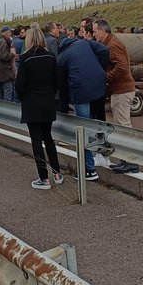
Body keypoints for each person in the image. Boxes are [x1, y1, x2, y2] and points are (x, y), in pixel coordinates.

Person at [16, 24, 64, 189]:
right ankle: (57, 173)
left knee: (36, 140)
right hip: (48, 101)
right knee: (48, 137)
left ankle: (44, 178)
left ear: (29, 39)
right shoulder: (50, 56)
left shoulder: (25, 58)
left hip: (32, 102)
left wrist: (23, 97)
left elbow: (20, 84)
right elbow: (56, 80)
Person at [55, 30, 108, 180]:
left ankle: (89, 169)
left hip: (81, 93)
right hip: (100, 86)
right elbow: (104, 50)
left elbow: (62, 89)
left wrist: (63, 113)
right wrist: (101, 68)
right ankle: (103, 154)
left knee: (82, 130)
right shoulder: (85, 43)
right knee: (96, 122)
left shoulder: (62, 58)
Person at [92, 21, 134, 127]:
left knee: (123, 126)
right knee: (122, 124)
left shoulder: (112, 45)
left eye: (95, 31)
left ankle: (127, 139)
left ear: (103, 31)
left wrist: (106, 78)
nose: (93, 34)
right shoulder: (111, 43)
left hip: (121, 91)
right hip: (121, 90)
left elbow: (122, 67)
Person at [0, 26, 16, 102]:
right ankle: (7, 109)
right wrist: (12, 54)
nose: (11, 33)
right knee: (7, 94)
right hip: (5, 73)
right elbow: (3, 56)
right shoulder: (4, 42)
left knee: (0, 93)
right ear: (6, 33)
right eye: (10, 32)